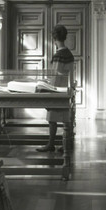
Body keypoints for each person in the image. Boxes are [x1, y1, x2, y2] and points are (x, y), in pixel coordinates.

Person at [36, 24, 74, 152]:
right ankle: (66, 144)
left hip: (57, 90)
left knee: (52, 119)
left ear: (54, 39)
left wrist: (47, 85)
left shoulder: (59, 55)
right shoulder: (69, 53)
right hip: (66, 89)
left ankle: (51, 144)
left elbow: (55, 74)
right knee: (65, 120)